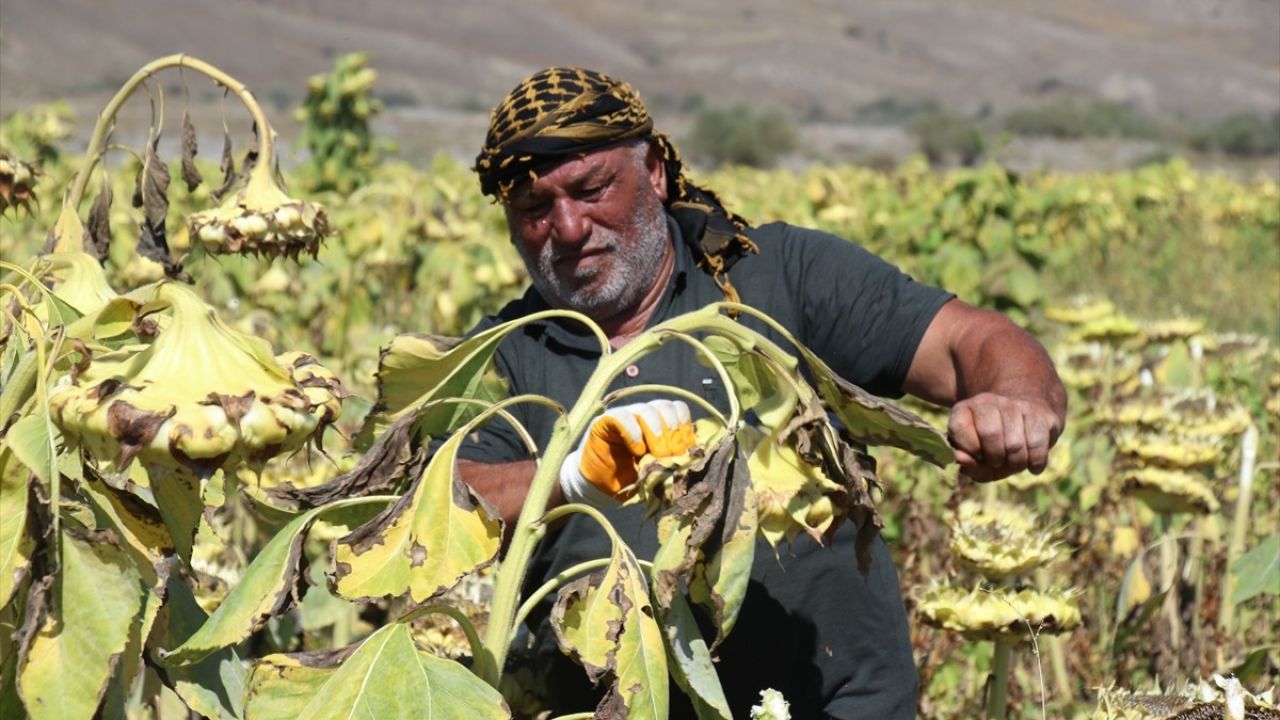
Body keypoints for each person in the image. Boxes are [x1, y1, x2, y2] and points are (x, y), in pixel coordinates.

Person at [454, 67, 1066, 719]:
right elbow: (448, 498)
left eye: (591, 189)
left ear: (655, 170)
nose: (570, 227)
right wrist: (574, 476)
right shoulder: (505, 351)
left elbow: (969, 341)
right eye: (534, 210)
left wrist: (1016, 399)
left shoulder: (775, 278)